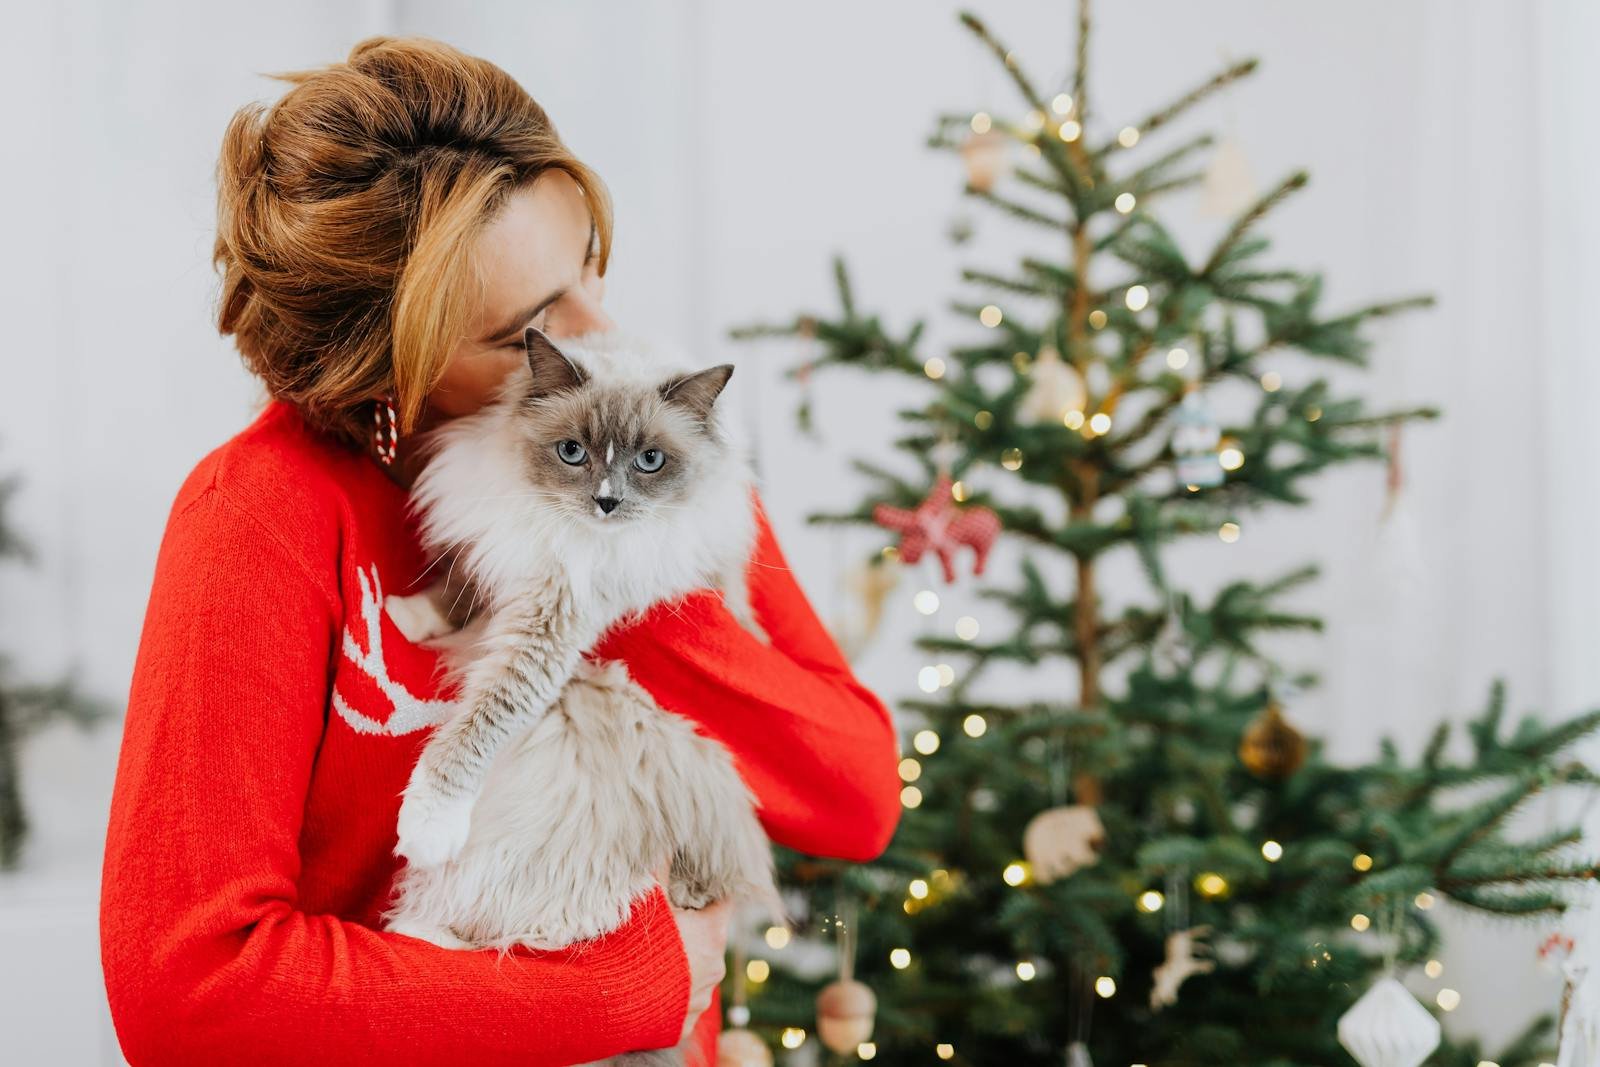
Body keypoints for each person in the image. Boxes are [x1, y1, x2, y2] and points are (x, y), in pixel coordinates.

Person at [98, 35, 902, 1067]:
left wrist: (617, 570)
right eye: (524, 327)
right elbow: (191, 992)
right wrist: (626, 989)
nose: (599, 332)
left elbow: (854, 797)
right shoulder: (256, 517)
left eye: (588, 268)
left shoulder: (646, 455)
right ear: (384, 364)